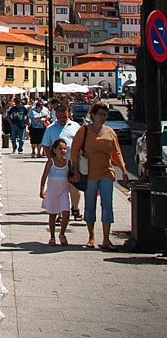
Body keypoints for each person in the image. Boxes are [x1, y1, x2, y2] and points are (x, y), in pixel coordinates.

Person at [70, 100, 129, 250]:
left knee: (107, 205)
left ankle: (106, 239)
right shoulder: (83, 131)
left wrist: (123, 169)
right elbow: (74, 151)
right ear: (93, 115)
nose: (103, 117)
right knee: (90, 205)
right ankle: (91, 237)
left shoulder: (110, 132)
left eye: (105, 115)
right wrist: (75, 170)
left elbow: (116, 152)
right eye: (100, 114)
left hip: (107, 172)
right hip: (89, 174)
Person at [42, 101, 83, 221]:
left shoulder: (75, 126)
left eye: (64, 116)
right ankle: (60, 214)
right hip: (58, 165)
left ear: (69, 114)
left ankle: (75, 209)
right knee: (60, 188)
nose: (61, 119)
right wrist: (51, 160)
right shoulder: (50, 129)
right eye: (59, 117)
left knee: (74, 187)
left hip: (74, 162)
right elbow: (45, 145)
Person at [39, 138, 71, 245]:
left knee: (66, 212)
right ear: (54, 150)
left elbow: (71, 175)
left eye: (65, 149)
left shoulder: (68, 162)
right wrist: (42, 189)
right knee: (52, 214)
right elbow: (44, 176)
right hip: (52, 191)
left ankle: (62, 234)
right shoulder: (51, 162)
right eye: (60, 149)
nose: (63, 151)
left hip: (63, 191)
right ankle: (52, 236)